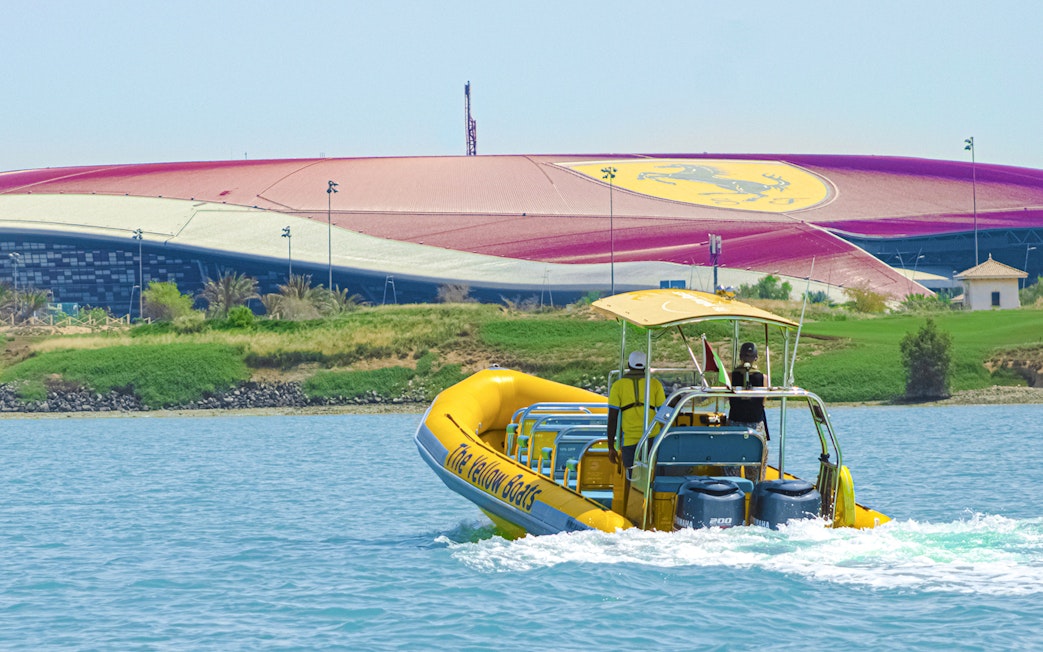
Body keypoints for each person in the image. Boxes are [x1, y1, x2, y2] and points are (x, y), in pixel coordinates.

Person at [607, 351, 666, 471]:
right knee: (652, 475)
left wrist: (611, 447)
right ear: (645, 365)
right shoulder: (655, 384)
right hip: (652, 437)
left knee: (632, 477)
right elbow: (663, 414)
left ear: (629, 365)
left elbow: (612, 418)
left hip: (629, 439)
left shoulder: (618, 386)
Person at [728, 342, 768, 440]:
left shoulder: (730, 377)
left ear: (740, 357)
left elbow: (726, 398)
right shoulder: (764, 378)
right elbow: (763, 402)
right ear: (756, 358)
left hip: (735, 422)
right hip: (756, 423)